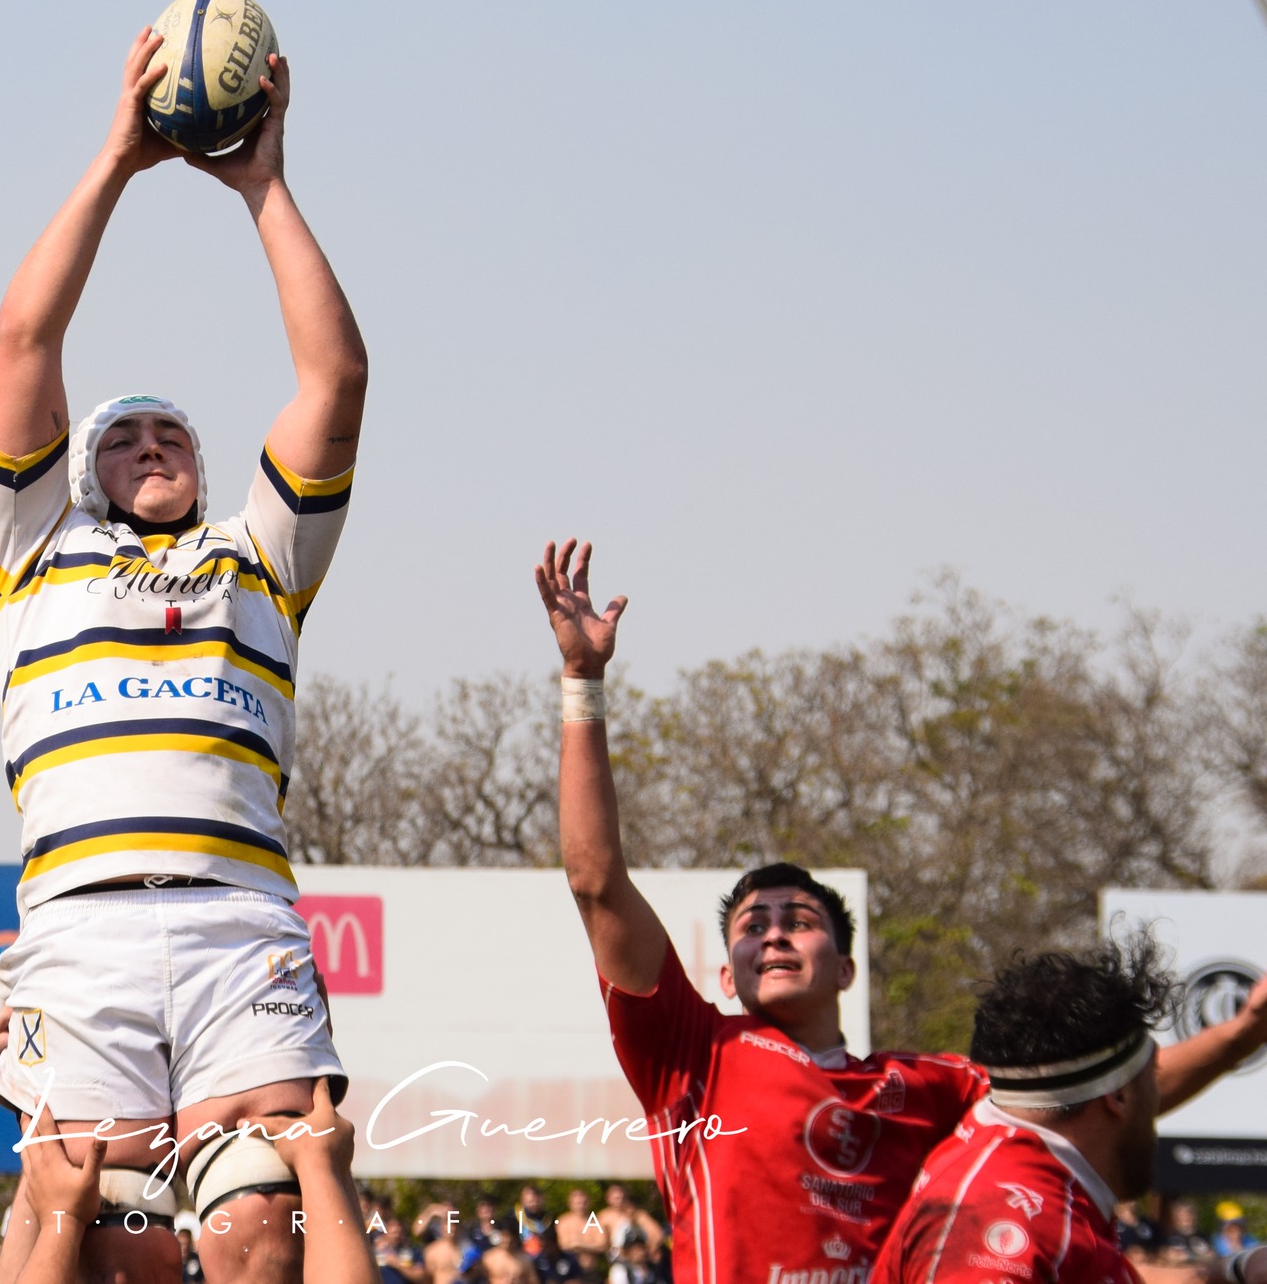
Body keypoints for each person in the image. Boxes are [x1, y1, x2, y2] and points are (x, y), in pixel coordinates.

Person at [533, 536, 1267, 1281]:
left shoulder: (925, 1086)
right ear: (727, 975)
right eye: (753, 926)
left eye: (801, 919)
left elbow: (1095, 1090)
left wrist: (1243, 1032)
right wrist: (582, 682)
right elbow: (596, 879)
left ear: (847, 967)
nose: (776, 930)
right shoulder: (693, 1055)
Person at [0, 14, 369, 1284]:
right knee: (110, 1240)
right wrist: (115, 161)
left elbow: (335, 378)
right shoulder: (30, 554)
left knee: (262, 1222)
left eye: (173, 438)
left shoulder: (258, 561)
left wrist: (262, 186)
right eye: (125, 438)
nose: (153, 449)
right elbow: (23, 341)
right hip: (79, 933)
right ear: (79, 472)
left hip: (234, 924)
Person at [872, 936, 1267, 1283]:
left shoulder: (1025, 1158)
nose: (1161, 1092)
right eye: (1152, 1074)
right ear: (1119, 1097)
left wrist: (1236, 1270)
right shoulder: (996, 1229)